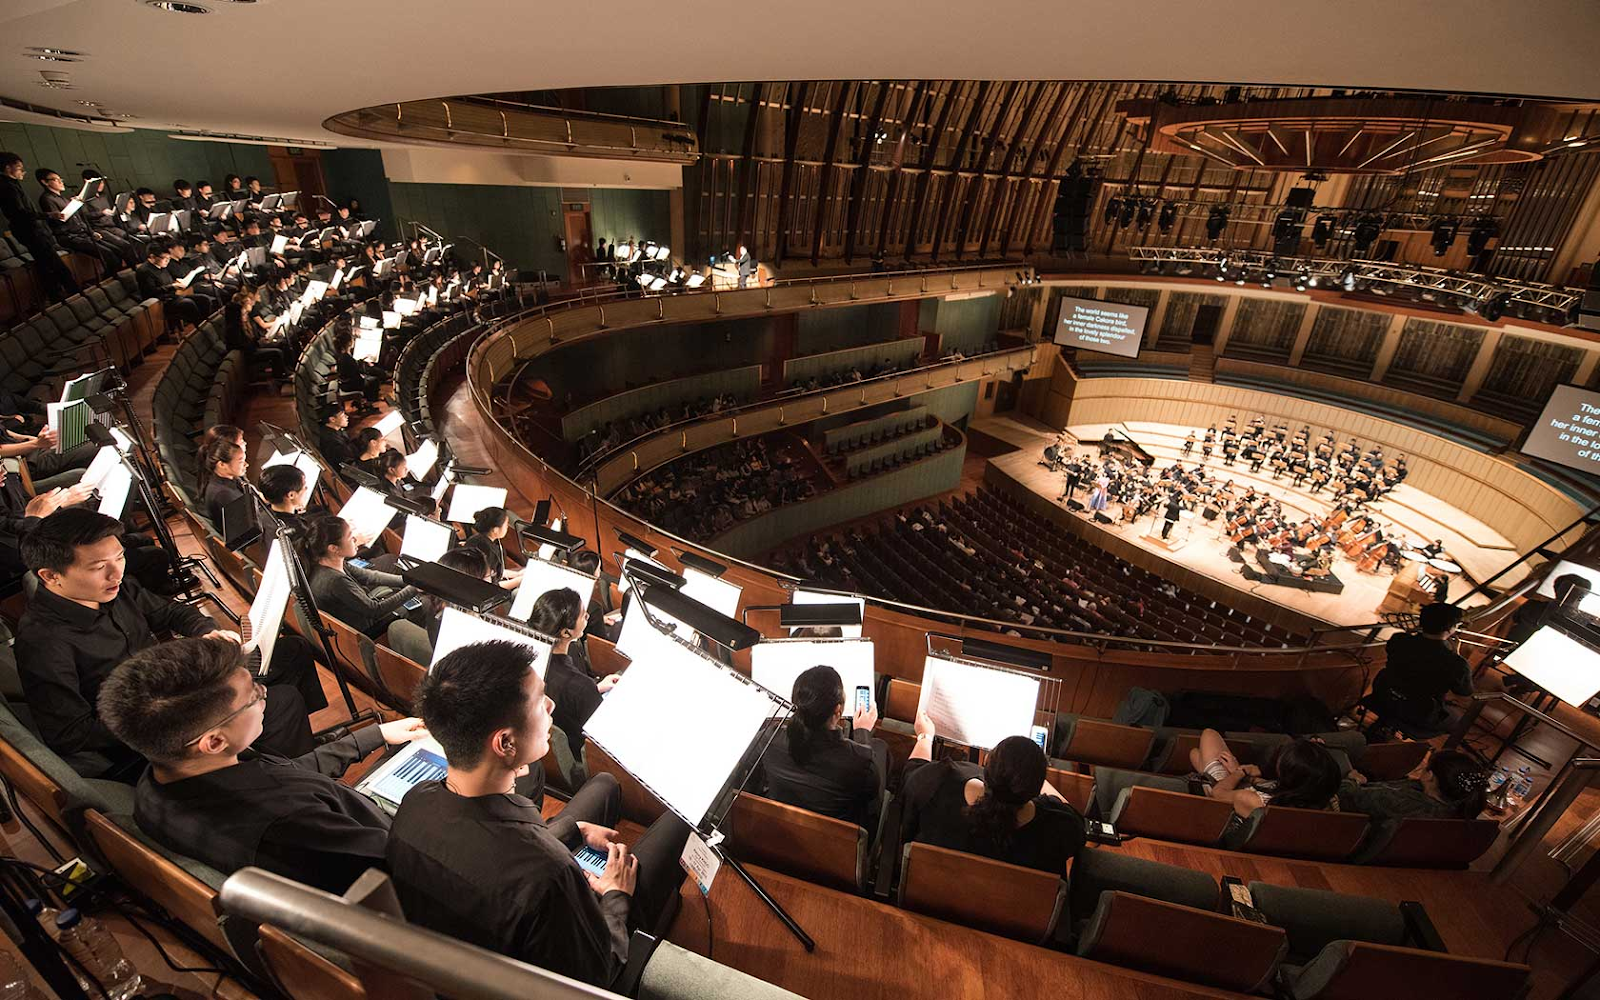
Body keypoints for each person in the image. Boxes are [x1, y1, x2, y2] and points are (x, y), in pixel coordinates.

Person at [386, 640, 692, 988]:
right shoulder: (550, 875)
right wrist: (615, 894)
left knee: (604, 784)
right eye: (539, 701)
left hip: (472, 944)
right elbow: (599, 971)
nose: (552, 705)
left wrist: (572, 831)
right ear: (505, 744)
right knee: (679, 821)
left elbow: (493, 849)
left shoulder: (416, 800)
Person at [98, 636, 430, 893]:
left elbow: (287, 778)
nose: (265, 693)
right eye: (253, 695)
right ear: (213, 741)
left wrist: (375, 736)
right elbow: (410, 873)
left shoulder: (161, 776)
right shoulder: (291, 825)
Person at [16, 510, 319, 778]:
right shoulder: (43, 641)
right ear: (50, 576)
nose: (116, 573)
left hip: (174, 691)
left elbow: (171, 611)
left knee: (293, 652)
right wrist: (177, 716)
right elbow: (70, 734)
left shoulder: (112, 589)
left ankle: (276, 752)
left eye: (119, 557)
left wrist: (206, 631)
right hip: (151, 737)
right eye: (98, 567)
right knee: (283, 702)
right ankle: (286, 778)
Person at [900, 715, 1083, 874]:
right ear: (1037, 785)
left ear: (986, 764)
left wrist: (925, 737)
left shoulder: (939, 781)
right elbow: (1076, 821)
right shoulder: (1059, 825)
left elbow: (911, 774)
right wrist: (1029, 772)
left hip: (927, 905)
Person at [757, 665, 886, 830]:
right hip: (834, 843)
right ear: (838, 710)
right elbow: (871, 794)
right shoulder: (862, 762)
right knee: (881, 749)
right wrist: (862, 733)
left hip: (782, 830)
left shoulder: (769, 737)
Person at [527, 588, 620, 758]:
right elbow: (605, 735)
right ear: (565, 632)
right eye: (583, 615)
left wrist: (596, 688)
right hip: (581, 751)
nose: (588, 617)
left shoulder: (527, 664)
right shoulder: (580, 687)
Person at [303, 515, 421, 638]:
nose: (355, 538)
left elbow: (370, 576)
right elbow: (375, 610)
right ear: (333, 548)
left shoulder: (328, 562)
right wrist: (415, 587)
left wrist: (410, 580)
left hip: (361, 613)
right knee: (424, 604)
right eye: (349, 536)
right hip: (367, 628)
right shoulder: (336, 581)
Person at [1189, 729, 1342, 819]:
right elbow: (1274, 787)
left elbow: (1218, 794)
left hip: (1220, 791)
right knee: (1196, 754)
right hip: (1247, 790)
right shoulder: (1329, 802)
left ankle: (1205, 775)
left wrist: (1239, 772)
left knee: (1207, 736)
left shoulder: (1257, 804)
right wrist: (1250, 777)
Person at [1371, 602, 1472, 732]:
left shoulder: (1398, 639)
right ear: (1450, 629)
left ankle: (1384, 725)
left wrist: (1413, 636)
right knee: (1457, 719)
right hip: (1417, 713)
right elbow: (1464, 691)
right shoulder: (1456, 663)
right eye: (1457, 625)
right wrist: (1456, 654)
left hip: (1384, 695)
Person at [0, 152, 78, 301]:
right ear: (8, 168)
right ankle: (71, 293)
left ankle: (58, 295)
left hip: (29, 230)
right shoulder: (7, 187)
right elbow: (21, 213)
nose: (22, 172)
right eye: (19, 168)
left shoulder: (11, 185)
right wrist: (49, 215)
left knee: (47, 264)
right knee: (53, 264)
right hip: (28, 230)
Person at [1338, 749, 1487, 821]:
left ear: (1430, 776)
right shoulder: (1459, 809)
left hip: (1347, 812)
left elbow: (1344, 795)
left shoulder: (1399, 801)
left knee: (1338, 756)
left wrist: (1353, 780)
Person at [464, 506, 523, 590]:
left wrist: (517, 575)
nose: (507, 528)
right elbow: (491, 586)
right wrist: (519, 580)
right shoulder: (486, 549)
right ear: (495, 529)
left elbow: (495, 571)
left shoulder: (476, 539)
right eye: (506, 525)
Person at [199, 438, 249, 529]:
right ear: (222, 465)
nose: (246, 464)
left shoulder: (230, 478)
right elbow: (243, 525)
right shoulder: (223, 494)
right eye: (241, 461)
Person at [258, 464, 312, 541]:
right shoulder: (300, 532)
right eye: (304, 487)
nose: (306, 489)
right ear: (291, 495)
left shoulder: (261, 512)